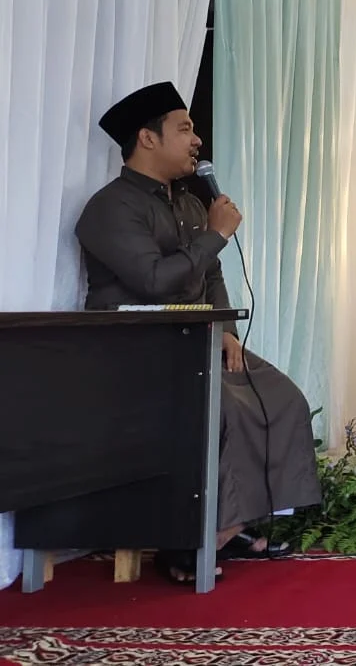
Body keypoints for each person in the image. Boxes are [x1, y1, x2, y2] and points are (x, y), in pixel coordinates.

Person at [76, 82, 320, 585]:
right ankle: (193, 540)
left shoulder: (189, 205)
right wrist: (217, 233)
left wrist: (225, 329)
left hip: (195, 342)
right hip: (135, 352)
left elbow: (210, 275)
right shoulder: (111, 207)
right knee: (226, 409)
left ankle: (225, 529)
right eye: (185, 129)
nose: (197, 141)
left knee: (282, 399)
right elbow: (152, 281)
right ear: (147, 138)